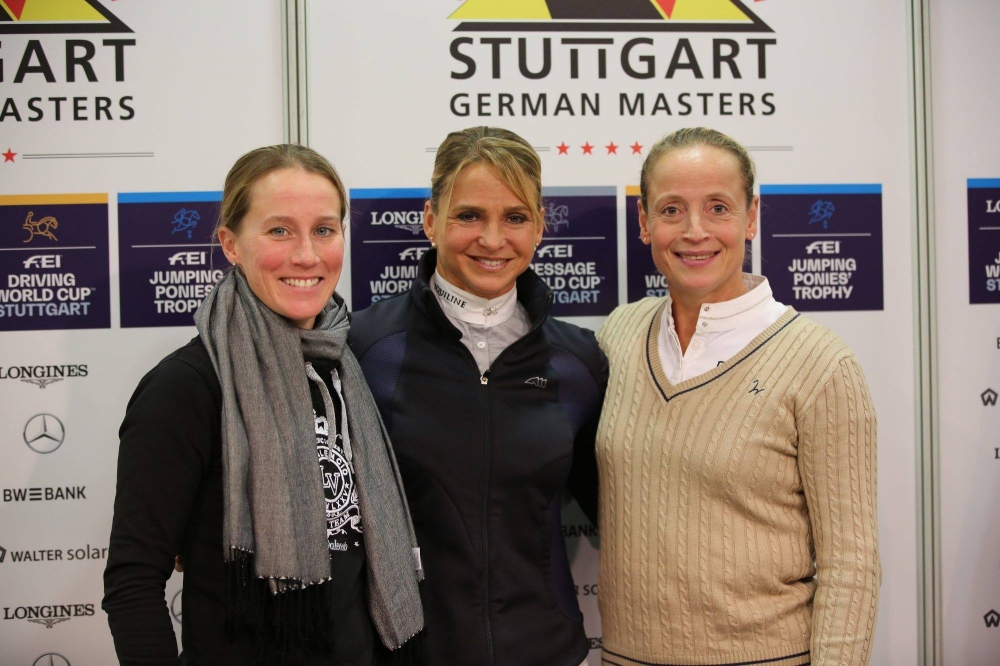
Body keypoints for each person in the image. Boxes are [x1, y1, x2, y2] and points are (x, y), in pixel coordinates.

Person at [103, 144, 423, 666]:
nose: (307, 255)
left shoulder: (349, 365)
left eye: (324, 230)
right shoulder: (186, 387)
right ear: (231, 244)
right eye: (279, 231)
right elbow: (133, 582)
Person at [595, 127, 881, 666]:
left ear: (751, 218)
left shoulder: (820, 364)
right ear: (644, 222)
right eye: (672, 209)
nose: (695, 231)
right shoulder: (619, 335)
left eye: (718, 208)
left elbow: (851, 563)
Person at [348, 126, 607, 666]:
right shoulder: (364, 348)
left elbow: (621, 512)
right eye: (469, 216)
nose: (492, 240)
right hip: (406, 654)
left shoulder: (579, 362)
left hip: (547, 653)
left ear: (539, 227)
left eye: (515, 217)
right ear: (430, 220)